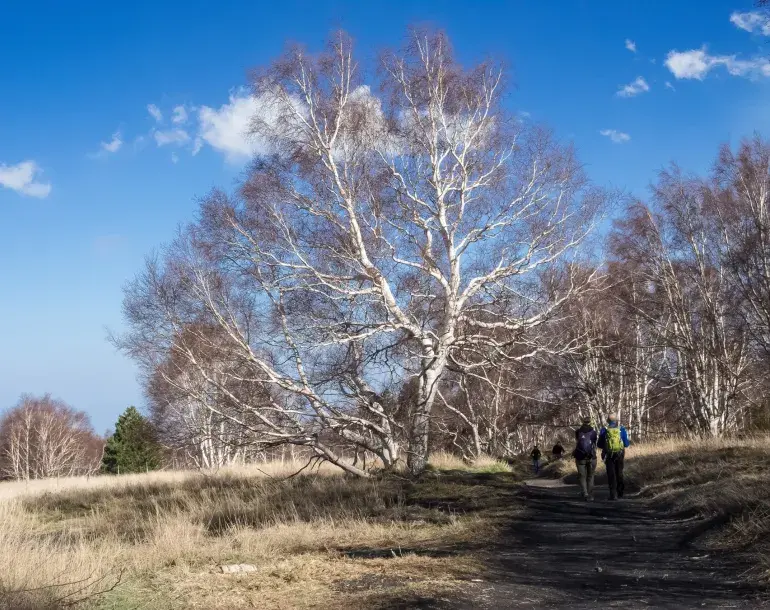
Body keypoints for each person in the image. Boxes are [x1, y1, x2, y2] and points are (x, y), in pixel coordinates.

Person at [597, 413, 630, 500]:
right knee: (619, 472)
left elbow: (599, 444)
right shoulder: (621, 429)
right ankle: (620, 492)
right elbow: (626, 444)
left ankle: (613, 494)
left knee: (611, 474)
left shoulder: (604, 430)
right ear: (616, 420)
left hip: (608, 454)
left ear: (608, 420)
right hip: (620, 454)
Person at [573, 416, 597, 501]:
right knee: (590, 476)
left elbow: (577, 442)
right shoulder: (593, 432)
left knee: (582, 476)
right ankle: (590, 495)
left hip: (580, 456)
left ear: (583, 422)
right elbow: (594, 443)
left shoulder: (578, 432)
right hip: (591, 456)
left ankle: (585, 492)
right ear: (590, 422)